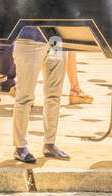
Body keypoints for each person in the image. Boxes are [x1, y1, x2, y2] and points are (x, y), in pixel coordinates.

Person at [10, 28, 68, 163]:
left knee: (54, 94)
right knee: (25, 96)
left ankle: (50, 143)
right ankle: (20, 147)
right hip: (29, 39)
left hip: (55, 41)